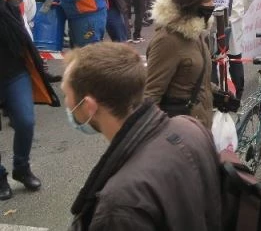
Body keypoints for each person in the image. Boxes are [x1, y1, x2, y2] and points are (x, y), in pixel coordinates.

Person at [65, 42, 221, 230]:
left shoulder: (119, 204)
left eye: (66, 95)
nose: (66, 103)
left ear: (89, 106)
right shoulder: (190, 127)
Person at [0, 0, 59, 200]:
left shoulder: (13, 6)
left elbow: (26, 36)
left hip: (15, 72)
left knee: (25, 121)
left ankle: (21, 168)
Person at [144, 0, 215, 128]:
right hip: (179, 131)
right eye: (208, 1)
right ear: (192, 4)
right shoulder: (167, 40)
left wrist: (217, 93)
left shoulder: (196, 33)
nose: (213, 5)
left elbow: (192, 76)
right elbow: (151, 94)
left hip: (200, 124)